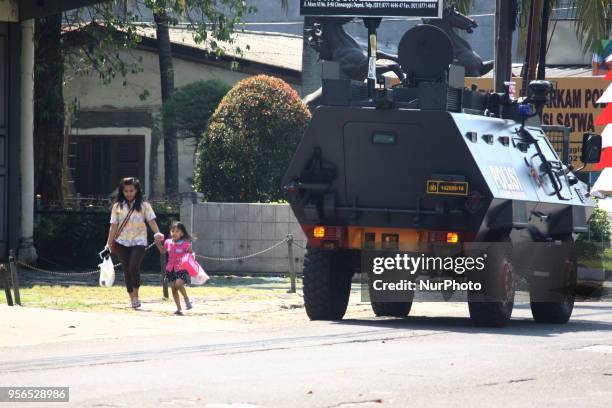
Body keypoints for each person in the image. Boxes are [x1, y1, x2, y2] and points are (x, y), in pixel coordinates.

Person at [106, 177, 164, 308]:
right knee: (126, 270)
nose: (129, 193)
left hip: (139, 241)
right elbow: (113, 226)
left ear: (137, 190)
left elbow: (151, 221)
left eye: (131, 190)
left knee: (133, 267)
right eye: (126, 191)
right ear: (122, 191)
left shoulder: (145, 206)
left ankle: (137, 296)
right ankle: (131, 298)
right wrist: (108, 243)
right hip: (121, 242)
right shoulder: (117, 207)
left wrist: (157, 233)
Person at [156, 221, 194, 315]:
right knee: (173, 289)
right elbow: (163, 251)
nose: (174, 233)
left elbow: (191, 253)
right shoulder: (167, 242)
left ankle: (186, 299)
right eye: (172, 231)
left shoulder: (185, 244)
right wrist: (157, 243)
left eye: (177, 231)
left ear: (182, 233)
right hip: (170, 269)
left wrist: (192, 255)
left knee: (178, 284)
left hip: (181, 268)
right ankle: (179, 309)